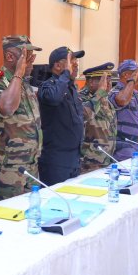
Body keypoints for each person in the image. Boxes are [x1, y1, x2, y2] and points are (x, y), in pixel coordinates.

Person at [0, 35, 42, 200]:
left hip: (31, 167)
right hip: (8, 172)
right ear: (10, 57)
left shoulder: (25, 84)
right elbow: (6, 108)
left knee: (33, 211)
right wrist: (19, 72)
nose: (30, 60)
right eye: (25, 55)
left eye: (31, 55)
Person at [37, 46, 84, 185]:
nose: (75, 64)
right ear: (57, 66)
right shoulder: (47, 86)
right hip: (56, 160)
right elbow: (54, 98)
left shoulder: (71, 88)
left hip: (74, 157)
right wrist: (66, 74)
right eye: (71, 60)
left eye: (75, 60)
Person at [79, 62, 117, 174]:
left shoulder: (106, 100)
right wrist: (100, 93)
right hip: (89, 162)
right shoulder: (81, 98)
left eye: (109, 80)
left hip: (106, 160)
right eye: (104, 80)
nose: (108, 84)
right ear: (91, 82)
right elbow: (84, 115)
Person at [108, 59, 138, 160]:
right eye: (136, 73)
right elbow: (122, 100)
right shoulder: (116, 92)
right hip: (122, 146)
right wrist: (132, 80)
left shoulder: (134, 93)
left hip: (135, 144)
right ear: (126, 75)